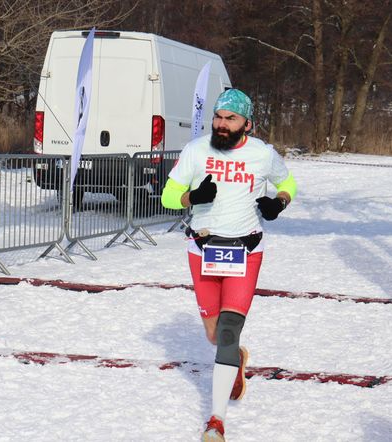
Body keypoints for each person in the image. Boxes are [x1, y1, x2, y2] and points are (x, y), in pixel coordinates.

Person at [161, 88, 297, 441]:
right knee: (213, 334)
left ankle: (216, 421)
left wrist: (278, 203)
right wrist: (192, 196)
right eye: (218, 117)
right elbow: (167, 195)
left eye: (230, 119)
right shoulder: (195, 151)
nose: (221, 124)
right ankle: (236, 359)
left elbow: (288, 183)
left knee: (225, 332)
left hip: (245, 252)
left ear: (246, 124)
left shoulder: (262, 154)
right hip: (202, 249)